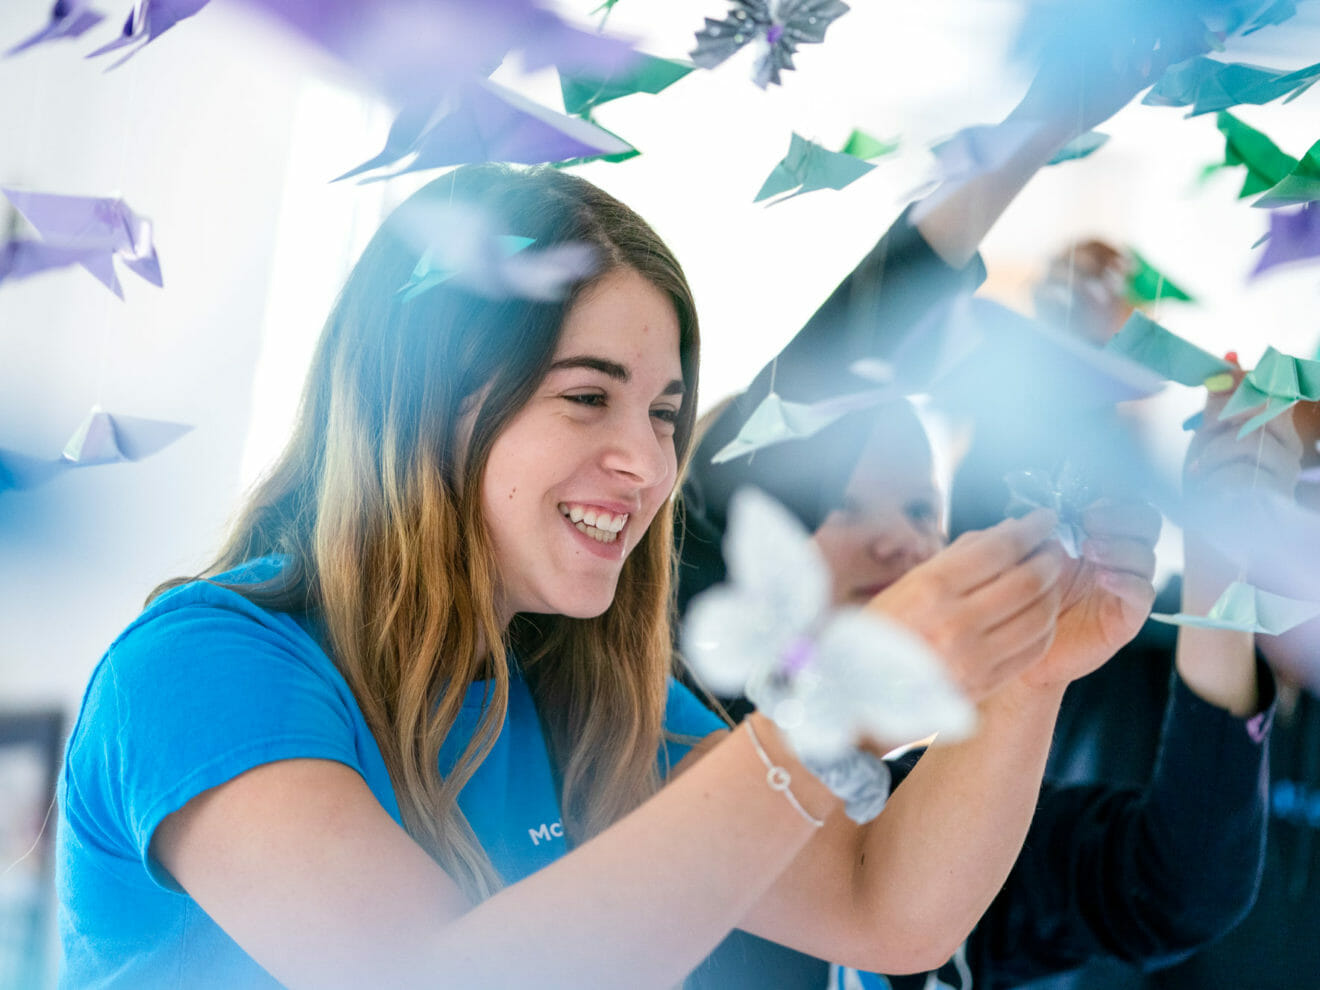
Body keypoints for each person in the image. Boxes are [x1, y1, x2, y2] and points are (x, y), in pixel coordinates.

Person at [55, 163, 1150, 989]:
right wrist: (833, 710)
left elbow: (885, 910)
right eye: (587, 396)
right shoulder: (203, 670)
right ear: (426, 398)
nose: (649, 462)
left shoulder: (574, 685)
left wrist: (1031, 674)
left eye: (666, 414)